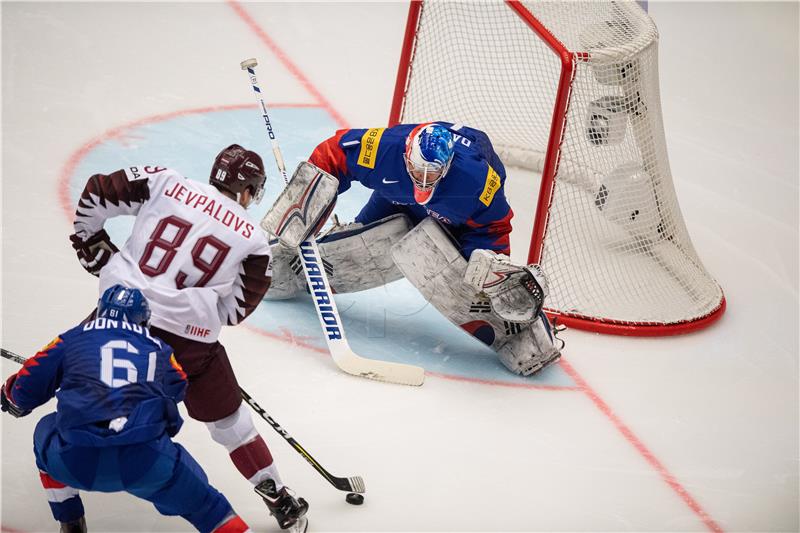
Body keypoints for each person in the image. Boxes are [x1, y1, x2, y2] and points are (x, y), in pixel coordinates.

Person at [67, 145, 308, 532]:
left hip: (116, 315)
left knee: (72, 375)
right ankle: (279, 498)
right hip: (187, 345)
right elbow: (235, 311)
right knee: (231, 424)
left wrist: (93, 247)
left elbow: (97, 191)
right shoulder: (253, 239)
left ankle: (65, 500)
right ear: (247, 191)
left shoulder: (165, 180)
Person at [265, 123, 562, 377]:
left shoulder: (476, 180)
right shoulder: (385, 148)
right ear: (407, 154)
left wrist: (486, 272)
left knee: (475, 276)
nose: (422, 180)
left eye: (431, 174)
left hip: (457, 219)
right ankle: (286, 265)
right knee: (360, 242)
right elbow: (333, 153)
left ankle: (523, 330)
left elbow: (493, 226)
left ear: (446, 167)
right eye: (417, 171)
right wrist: (305, 202)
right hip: (396, 199)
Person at [0, 285, 250, 533]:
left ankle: (71, 521)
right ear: (144, 321)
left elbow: (23, 391)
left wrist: (11, 396)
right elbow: (178, 388)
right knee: (210, 508)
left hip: (75, 460)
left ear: (100, 312)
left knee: (45, 429)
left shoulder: (71, 339)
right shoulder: (160, 350)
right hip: (147, 462)